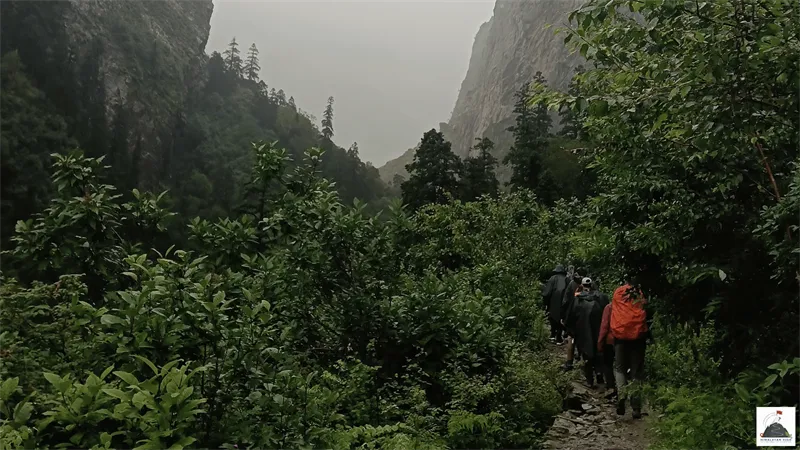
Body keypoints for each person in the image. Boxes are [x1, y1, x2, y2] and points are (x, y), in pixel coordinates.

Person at [610, 281, 653, 419]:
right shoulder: (640, 293)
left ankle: (622, 396)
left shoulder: (618, 292)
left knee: (619, 368)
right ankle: (636, 408)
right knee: (636, 371)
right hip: (638, 337)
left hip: (620, 336)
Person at [565, 277, 606, 387]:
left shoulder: (578, 299)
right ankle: (599, 374)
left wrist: (570, 330)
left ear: (582, 285)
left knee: (586, 353)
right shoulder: (601, 298)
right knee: (599, 352)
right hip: (599, 330)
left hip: (582, 330)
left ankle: (589, 380)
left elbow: (571, 316)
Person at [560, 268, 584, 370]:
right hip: (586, 314)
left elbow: (565, 301)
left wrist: (563, 315)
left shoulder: (572, 284)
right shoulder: (591, 284)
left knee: (571, 337)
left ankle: (569, 362)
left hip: (573, 314)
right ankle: (583, 359)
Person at [542, 265, 568, 344]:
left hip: (553, 302)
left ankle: (552, 335)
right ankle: (559, 337)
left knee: (552, 318)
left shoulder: (553, 278)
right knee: (561, 319)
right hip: (564, 303)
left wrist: (545, 303)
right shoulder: (567, 279)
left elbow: (547, 293)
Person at [597, 299, 616, 399]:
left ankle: (611, 386)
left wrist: (600, 343)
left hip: (610, 340)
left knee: (608, 364)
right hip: (628, 340)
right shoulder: (633, 306)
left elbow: (604, 326)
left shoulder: (609, 307)